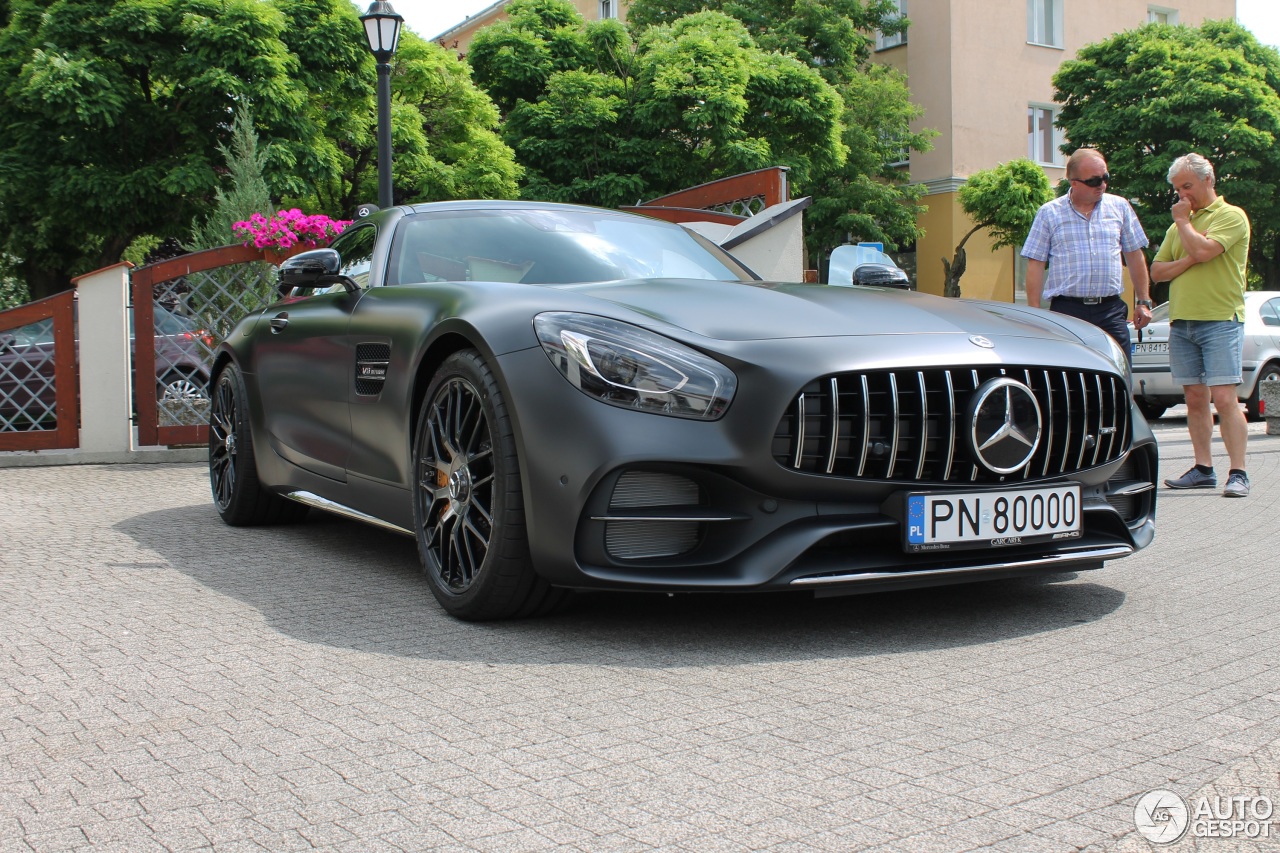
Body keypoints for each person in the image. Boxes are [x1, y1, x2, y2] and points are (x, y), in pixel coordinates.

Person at [1150, 153, 1252, 497]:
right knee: (1194, 398)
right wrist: (1192, 255)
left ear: (1209, 180)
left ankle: (1238, 472)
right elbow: (1157, 271)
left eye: (1188, 186)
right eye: (1178, 189)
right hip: (1182, 322)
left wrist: (1186, 229)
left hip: (1221, 319)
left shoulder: (1231, 216)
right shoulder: (1180, 224)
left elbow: (1208, 251)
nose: (1183, 196)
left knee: (1225, 398)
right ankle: (1203, 468)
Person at [1021, 148, 1155, 359]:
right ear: (1073, 183)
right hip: (1067, 310)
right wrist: (1035, 313)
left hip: (1110, 309)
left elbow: (1135, 255)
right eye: (1094, 181)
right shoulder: (1049, 213)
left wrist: (1143, 301)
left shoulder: (1119, 206)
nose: (1102, 185)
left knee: (1120, 373)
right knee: (1070, 374)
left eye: (1105, 178)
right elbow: (1035, 263)